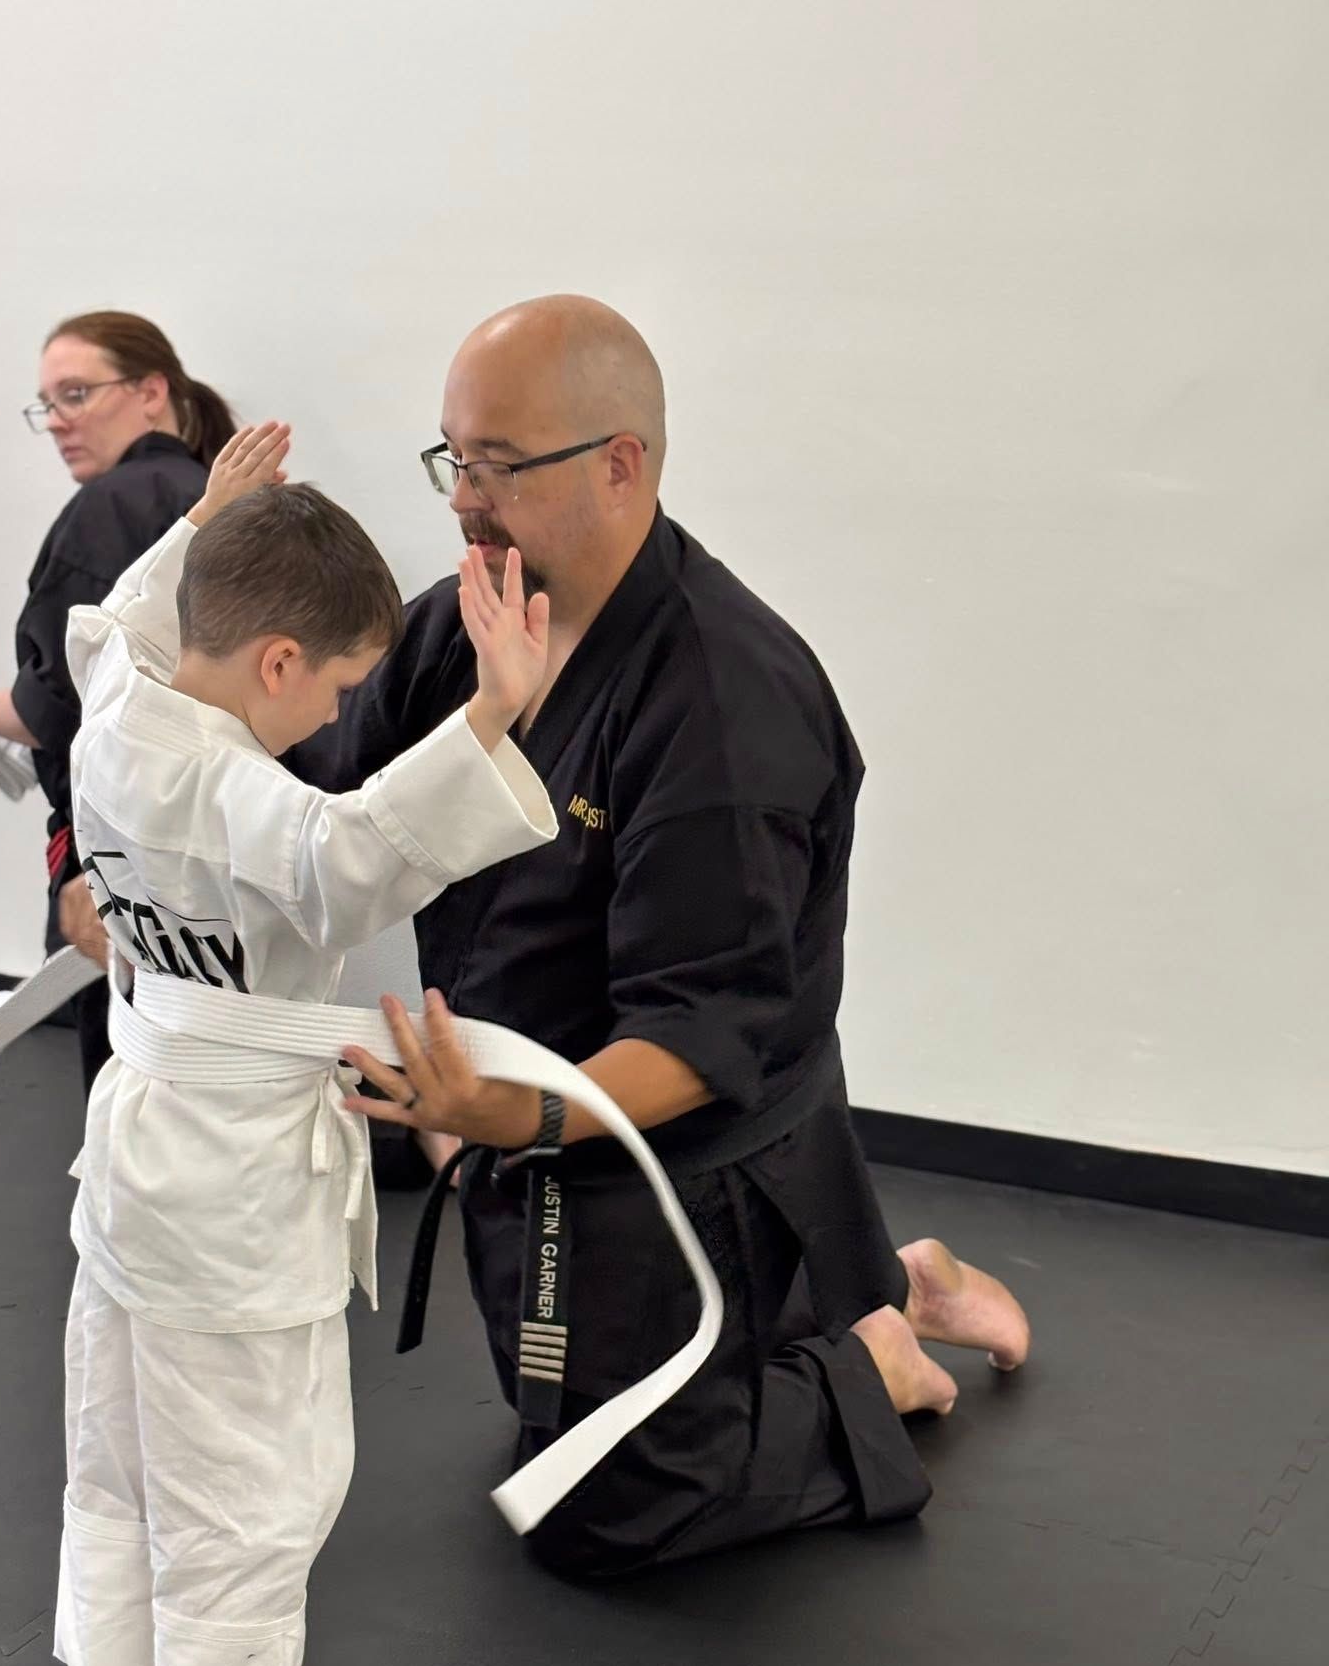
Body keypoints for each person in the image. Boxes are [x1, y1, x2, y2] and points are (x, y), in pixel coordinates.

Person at [290, 294, 1033, 1580]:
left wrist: (504, 1117)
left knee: (603, 1506)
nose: (463, 496)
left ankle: (874, 1347)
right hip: (518, 1119)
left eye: (500, 464)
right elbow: (328, 800)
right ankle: (874, 1283)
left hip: (679, 1147)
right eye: (452, 457)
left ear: (620, 462)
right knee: (544, 1422)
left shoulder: (723, 700)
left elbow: (700, 1035)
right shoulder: (465, 617)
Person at [56, 423, 556, 1666]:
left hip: (136, 1145)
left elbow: (119, 629)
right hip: (229, 1182)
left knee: (121, 1422)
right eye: (333, 689)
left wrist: (206, 523)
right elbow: (349, 861)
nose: (334, 719)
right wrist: (492, 712)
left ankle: (127, 1662)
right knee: (251, 1459)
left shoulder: (121, 712)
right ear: (278, 662)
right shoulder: (231, 793)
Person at [0, 312, 234, 1092]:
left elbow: (69, 707)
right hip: (225, 846)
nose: (57, 422)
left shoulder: (114, 507)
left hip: (125, 855)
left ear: (152, 392)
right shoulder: (213, 499)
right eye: (47, 403)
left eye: (76, 395)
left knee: (131, 1079)